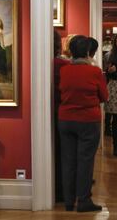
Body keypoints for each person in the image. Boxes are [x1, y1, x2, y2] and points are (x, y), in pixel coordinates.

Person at [58, 35, 108, 212]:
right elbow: (105, 96)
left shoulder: (64, 70)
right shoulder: (95, 72)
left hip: (65, 119)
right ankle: (84, 200)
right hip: (88, 120)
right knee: (85, 161)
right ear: (88, 52)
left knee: (68, 161)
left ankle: (69, 201)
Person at [53, 29, 70, 202]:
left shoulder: (41, 64)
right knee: (63, 153)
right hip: (62, 112)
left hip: (47, 112)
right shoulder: (63, 65)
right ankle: (61, 190)